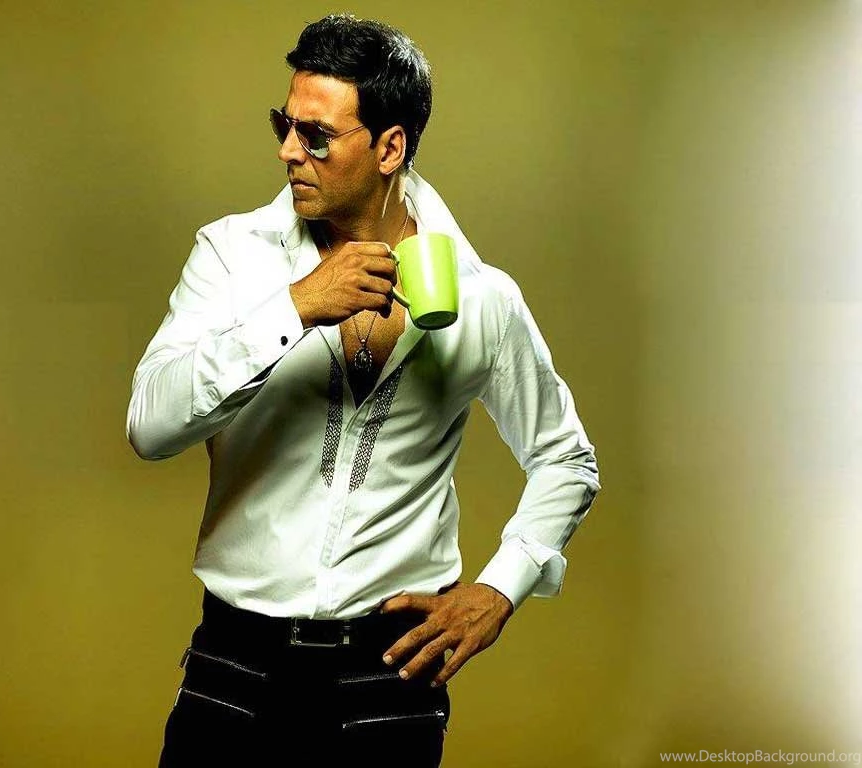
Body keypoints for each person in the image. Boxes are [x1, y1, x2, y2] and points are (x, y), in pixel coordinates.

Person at [126, 13, 600, 768]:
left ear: (389, 148)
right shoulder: (231, 257)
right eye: (285, 125)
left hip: (389, 678)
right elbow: (149, 427)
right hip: (237, 662)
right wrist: (295, 308)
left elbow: (566, 460)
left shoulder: (481, 296)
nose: (288, 151)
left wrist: (500, 589)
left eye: (316, 136)